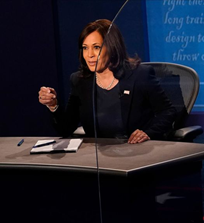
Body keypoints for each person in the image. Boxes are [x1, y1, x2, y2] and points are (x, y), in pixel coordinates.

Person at [38, 19, 176, 144]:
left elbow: (167, 112)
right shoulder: (80, 81)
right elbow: (65, 129)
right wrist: (53, 105)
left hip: (136, 152)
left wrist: (148, 133)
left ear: (112, 47)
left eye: (96, 47)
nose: (89, 54)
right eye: (85, 48)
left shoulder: (139, 75)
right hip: (99, 158)